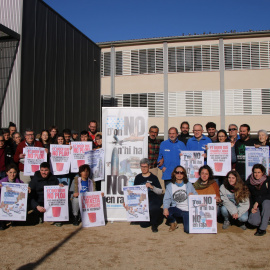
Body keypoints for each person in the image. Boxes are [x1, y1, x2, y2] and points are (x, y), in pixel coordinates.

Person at [132, 158, 163, 233]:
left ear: (149, 167)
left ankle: (154, 225)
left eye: (145, 166)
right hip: (142, 199)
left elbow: (160, 191)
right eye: (142, 166)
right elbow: (134, 191)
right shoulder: (137, 177)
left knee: (153, 207)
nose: (144, 168)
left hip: (153, 198)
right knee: (143, 225)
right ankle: (152, 218)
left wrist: (152, 187)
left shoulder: (154, 177)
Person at [163, 166, 197, 233]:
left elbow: (197, 195)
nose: (179, 174)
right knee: (167, 210)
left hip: (187, 210)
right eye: (177, 172)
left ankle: (186, 219)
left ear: (184, 174)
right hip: (177, 208)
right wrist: (165, 208)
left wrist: (193, 196)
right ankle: (173, 222)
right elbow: (166, 199)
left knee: (187, 230)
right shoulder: (170, 186)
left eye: (181, 172)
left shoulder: (188, 185)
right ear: (174, 174)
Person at [0, 163, 28, 230]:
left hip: (15, 203)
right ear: (7, 173)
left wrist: (28, 189)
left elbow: (23, 194)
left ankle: (14, 220)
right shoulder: (1, 182)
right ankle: (2, 221)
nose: (12, 174)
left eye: (14, 172)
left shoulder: (21, 183)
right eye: (10, 172)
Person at [246, 164, 270, 236]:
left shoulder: (267, 181)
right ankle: (264, 219)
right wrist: (251, 209)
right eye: (255, 172)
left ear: (262, 172)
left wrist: (258, 202)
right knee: (253, 222)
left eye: (259, 172)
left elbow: (269, 194)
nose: (256, 174)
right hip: (254, 205)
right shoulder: (249, 182)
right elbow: (248, 197)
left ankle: (262, 229)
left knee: (267, 202)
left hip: (265, 204)